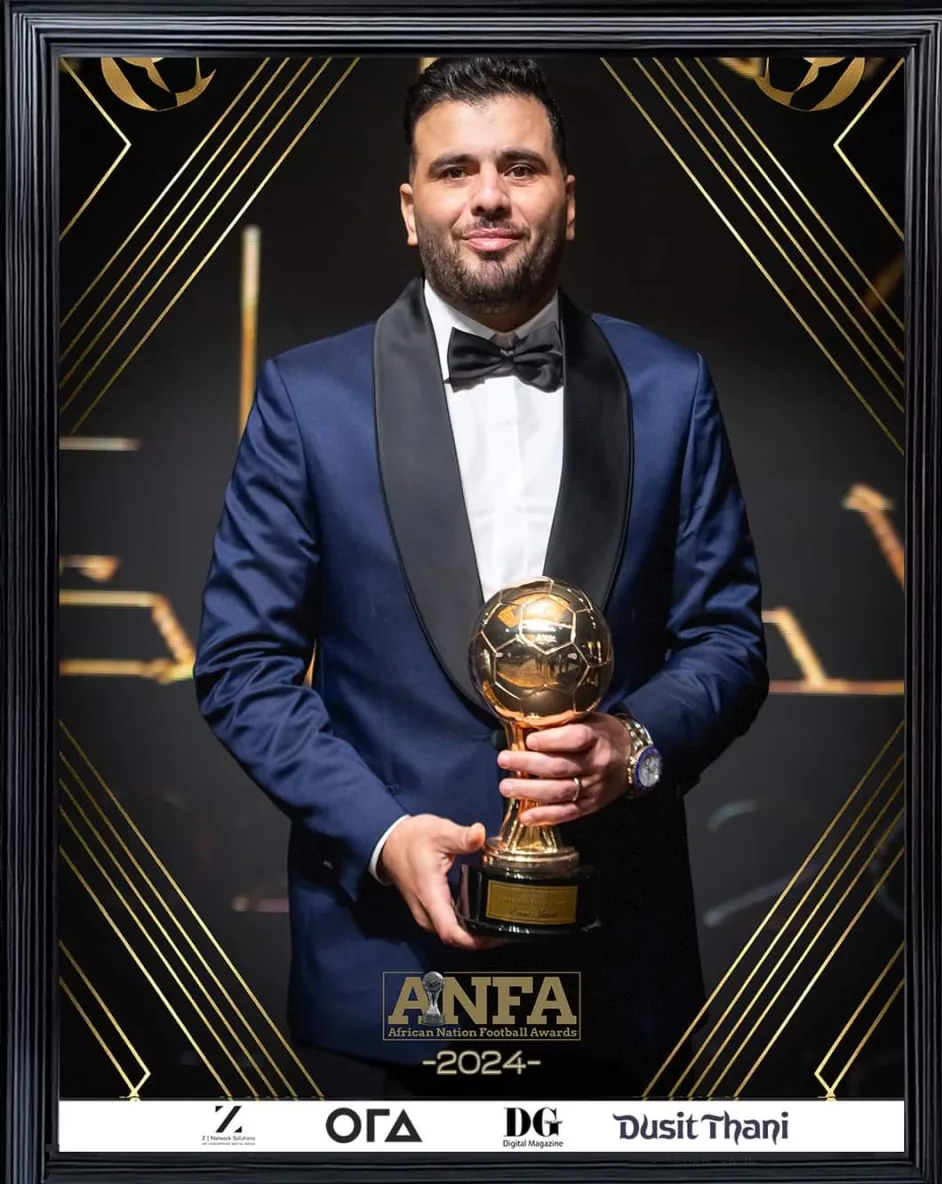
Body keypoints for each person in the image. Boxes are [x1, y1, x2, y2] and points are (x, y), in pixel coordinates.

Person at [194, 55, 768, 1100]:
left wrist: (633, 745)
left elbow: (729, 642)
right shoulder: (306, 400)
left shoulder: (672, 388)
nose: (489, 195)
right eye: (455, 170)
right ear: (410, 208)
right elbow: (243, 667)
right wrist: (381, 835)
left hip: (617, 968)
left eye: (520, 167)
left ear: (568, 200)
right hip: (386, 964)